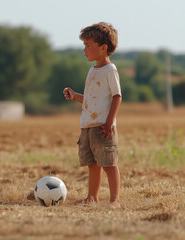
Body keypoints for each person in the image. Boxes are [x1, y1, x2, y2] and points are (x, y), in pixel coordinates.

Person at [63, 22, 122, 208]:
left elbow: (117, 96)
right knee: (93, 164)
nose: (84, 49)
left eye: (88, 45)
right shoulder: (92, 70)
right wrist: (75, 96)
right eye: (84, 45)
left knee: (109, 164)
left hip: (103, 126)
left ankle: (114, 200)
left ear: (103, 48)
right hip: (87, 125)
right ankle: (92, 198)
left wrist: (109, 122)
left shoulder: (110, 70)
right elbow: (90, 99)